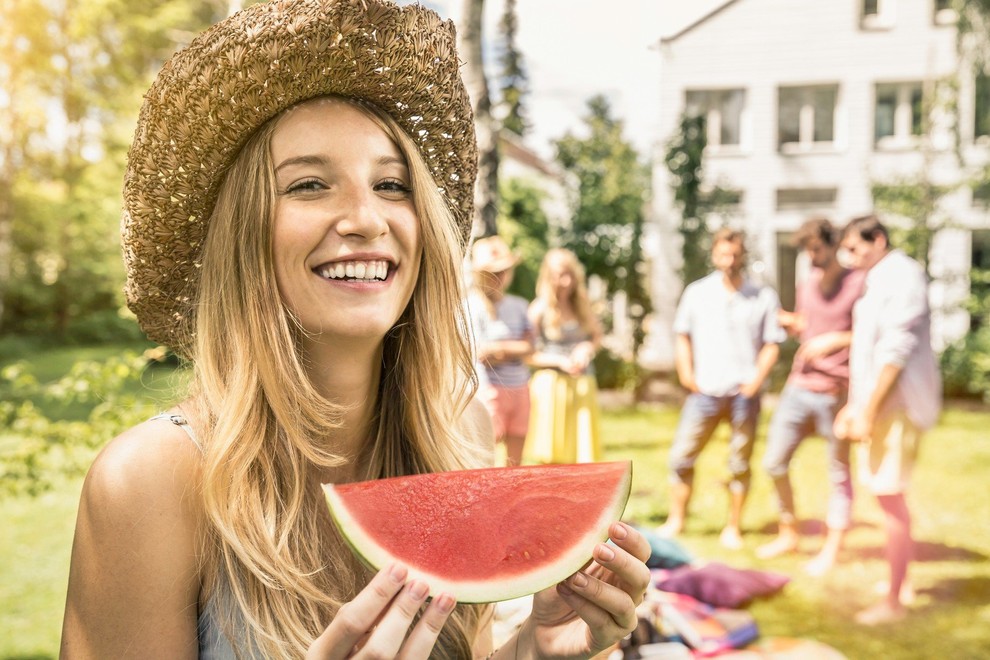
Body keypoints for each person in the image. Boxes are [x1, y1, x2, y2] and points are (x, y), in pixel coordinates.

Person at [58, 2, 651, 658]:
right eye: (310, 184)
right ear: (242, 238)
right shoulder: (148, 484)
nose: (366, 217)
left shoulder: (461, 437)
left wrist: (535, 651)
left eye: (393, 184)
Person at [835, 214, 941, 625]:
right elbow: (868, 353)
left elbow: (895, 352)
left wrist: (868, 410)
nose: (850, 255)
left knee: (890, 497)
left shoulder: (903, 276)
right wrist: (854, 404)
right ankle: (902, 582)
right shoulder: (879, 278)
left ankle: (894, 601)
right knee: (885, 496)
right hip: (879, 405)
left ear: (878, 239)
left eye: (855, 246)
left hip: (896, 408)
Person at [658, 228, 785, 549]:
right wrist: (686, 373)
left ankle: (733, 527)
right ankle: (676, 520)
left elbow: (773, 344)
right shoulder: (697, 293)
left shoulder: (763, 296)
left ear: (743, 256)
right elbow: (682, 335)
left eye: (735, 254)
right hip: (704, 392)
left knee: (739, 463)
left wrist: (756, 380)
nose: (729, 261)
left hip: (744, 394)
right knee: (681, 457)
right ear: (714, 255)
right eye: (723, 254)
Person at [756, 218, 865, 574]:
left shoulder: (858, 283)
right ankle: (790, 533)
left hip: (837, 392)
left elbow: (871, 332)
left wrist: (836, 339)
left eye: (816, 248)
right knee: (774, 462)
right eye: (807, 250)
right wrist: (792, 322)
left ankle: (832, 550)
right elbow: (810, 321)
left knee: (838, 473)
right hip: (799, 386)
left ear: (834, 245)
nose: (811, 256)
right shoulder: (808, 283)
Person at [525, 248, 604, 464]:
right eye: (561, 275)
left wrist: (587, 347)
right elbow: (528, 355)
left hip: (582, 382)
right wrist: (559, 361)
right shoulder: (538, 309)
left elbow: (597, 335)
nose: (567, 281)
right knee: (552, 454)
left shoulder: (581, 304)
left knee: (583, 453)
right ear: (548, 277)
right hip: (552, 385)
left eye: (570, 274)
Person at [466, 236, 535, 467]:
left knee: (515, 460)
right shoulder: (471, 306)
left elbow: (530, 347)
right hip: (488, 389)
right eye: (493, 272)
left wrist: (500, 348)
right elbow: (479, 353)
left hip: (520, 387)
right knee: (486, 455)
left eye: (503, 271)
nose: (499, 277)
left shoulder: (519, 305)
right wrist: (514, 347)